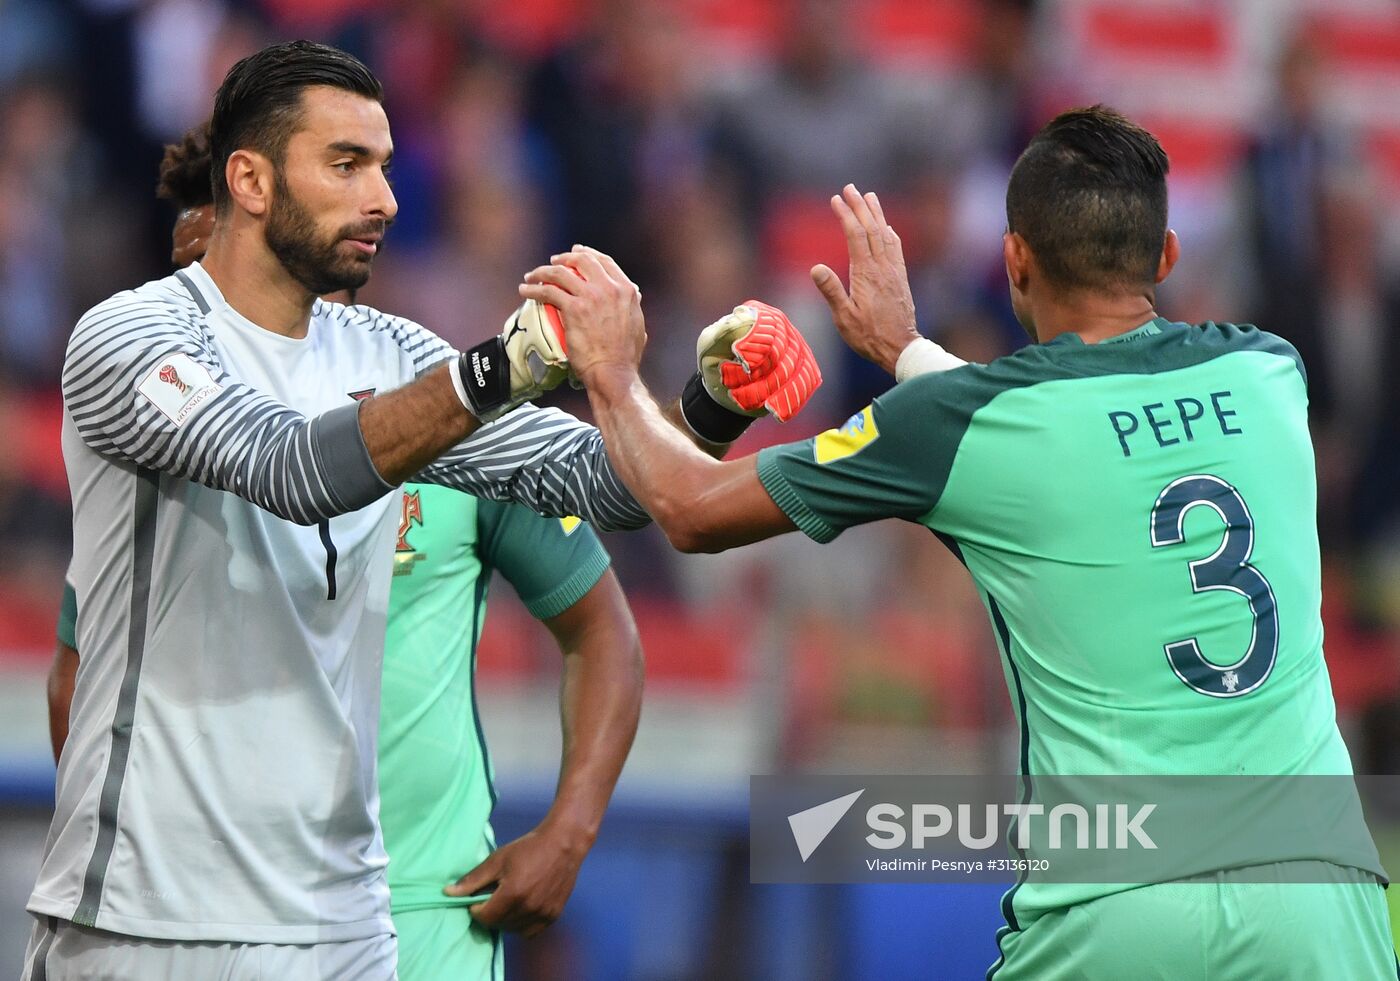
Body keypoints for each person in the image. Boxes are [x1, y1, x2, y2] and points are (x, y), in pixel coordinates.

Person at [521, 106, 1398, 978]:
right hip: (1320, 891)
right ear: (1164, 256)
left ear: (1012, 260)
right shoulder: (1268, 370)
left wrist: (608, 368)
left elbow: (688, 506)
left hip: (1120, 901)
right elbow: (1096, 425)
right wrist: (909, 351)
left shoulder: (960, 423)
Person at [27, 41, 818, 981]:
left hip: (344, 924)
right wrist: (502, 369)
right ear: (247, 178)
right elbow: (286, 465)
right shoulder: (129, 336)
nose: (386, 200)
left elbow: (598, 484)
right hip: (149, 920)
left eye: (387, 167)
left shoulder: (396, 353)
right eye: (347, 164)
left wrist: (709, 400)